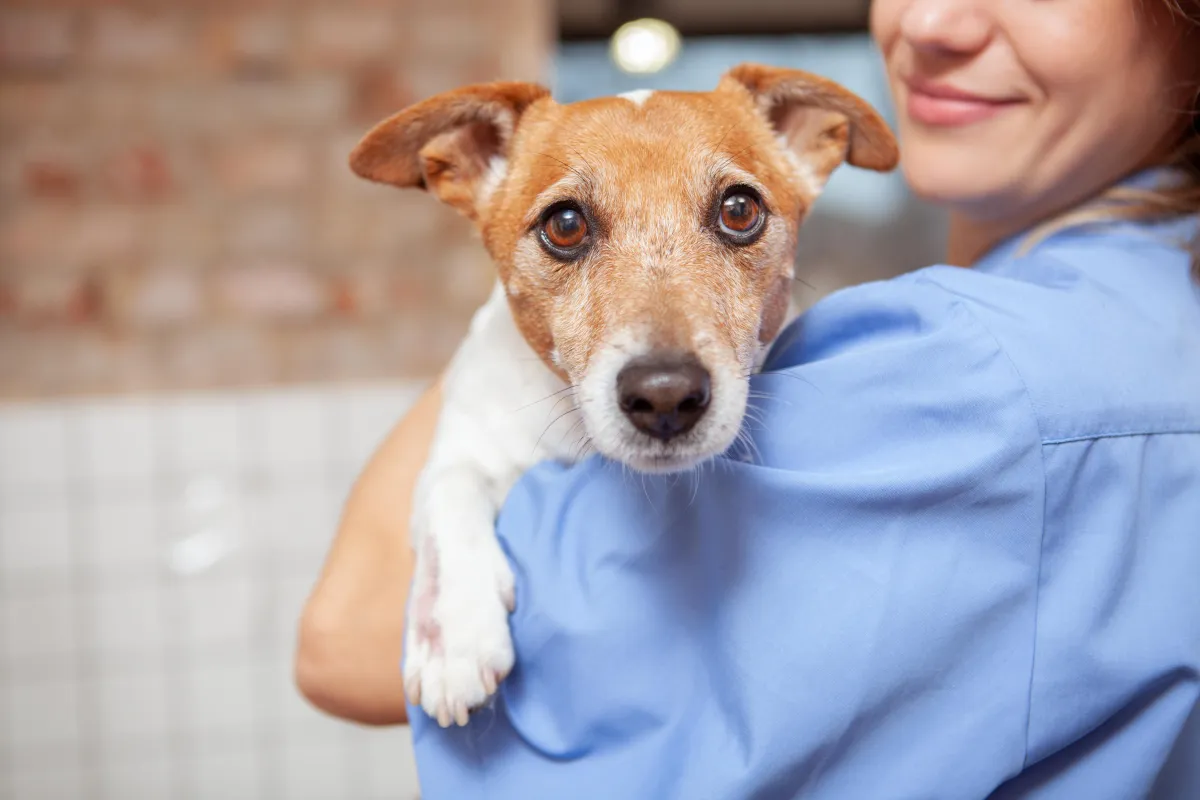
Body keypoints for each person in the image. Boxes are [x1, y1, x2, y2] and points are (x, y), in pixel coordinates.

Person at [295, 0, 1200, 797]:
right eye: (569, 225)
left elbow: (345, 641)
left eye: (734, 214)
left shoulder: (970, 377)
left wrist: (529, 270)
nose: (930, 19)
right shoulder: (1147, 312)